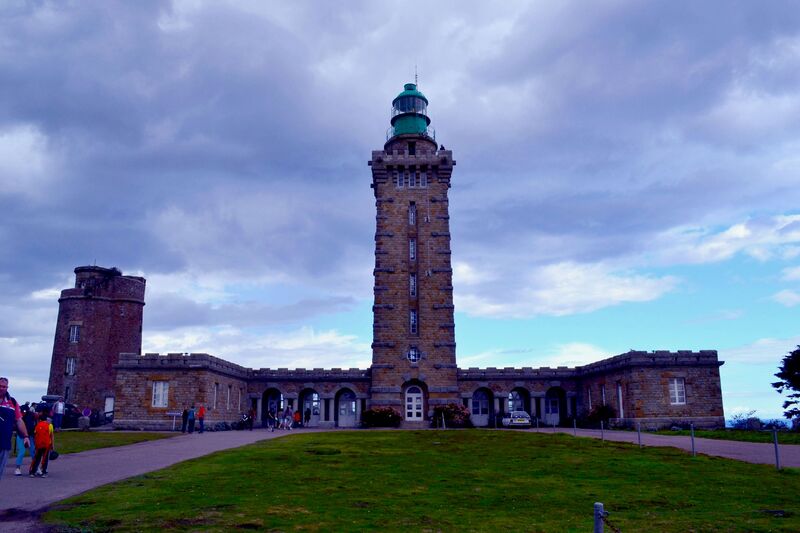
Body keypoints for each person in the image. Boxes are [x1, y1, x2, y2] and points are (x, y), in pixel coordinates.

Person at [0, 377, 31, 480]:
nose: (1, 388)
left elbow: (19, 420)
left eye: (4, 386)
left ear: (7, 388)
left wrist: (26, 436)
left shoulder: (12, 402)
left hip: (4, 443)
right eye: (0, 386)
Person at [29, 408, 54, 477]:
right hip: (46, 444)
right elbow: (51, 436)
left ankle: (32, 472)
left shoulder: (37, 425)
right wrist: (52, 445)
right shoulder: (50, 426)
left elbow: (35, 435)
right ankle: (44, 472)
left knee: (37, 458)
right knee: (45, 459)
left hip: (38, 444)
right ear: (46, 419)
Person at [15, 404, 37, 476]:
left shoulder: (31, 415)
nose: (23, 413)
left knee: (33, 451)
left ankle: (35, 467)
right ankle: (18, 468)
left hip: (30, 436)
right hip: (21, 436)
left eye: (24, 411)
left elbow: (33, 425)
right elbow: (17, 426)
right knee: (21, 451)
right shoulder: (18, 416)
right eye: (22, 411)